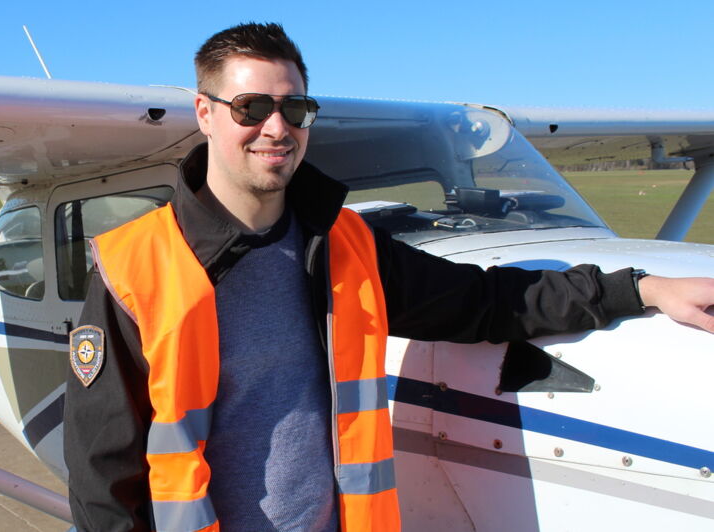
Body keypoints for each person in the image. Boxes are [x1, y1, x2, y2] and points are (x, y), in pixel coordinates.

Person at [63, 22, 714, 532]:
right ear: (205, 114)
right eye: (251, 106)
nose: (276, 127)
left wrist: (641, 289)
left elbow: (486, 302)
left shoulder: (346, 244)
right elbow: (103, 470)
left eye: (296, 109)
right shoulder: (134, 265)